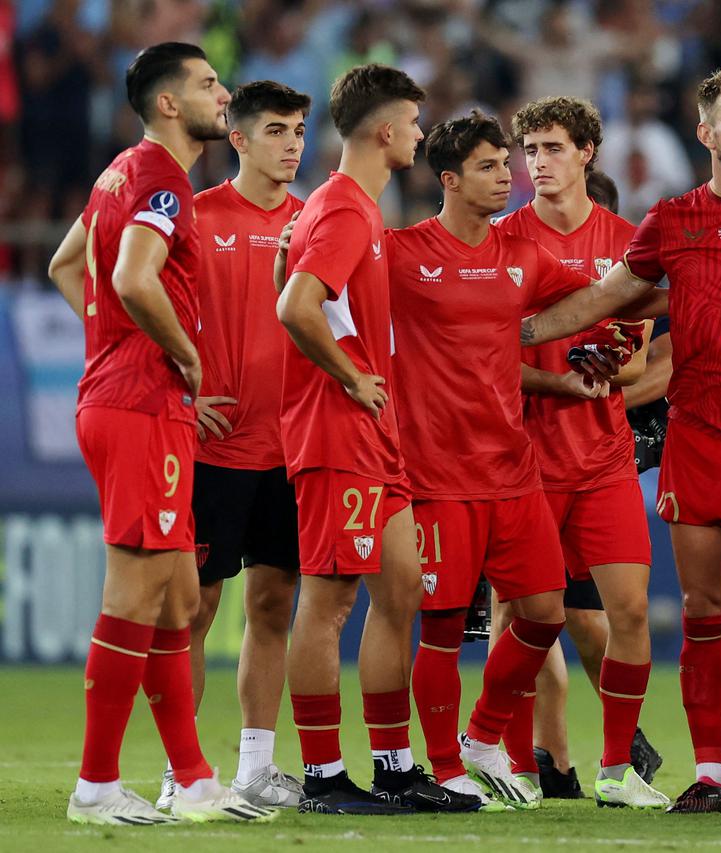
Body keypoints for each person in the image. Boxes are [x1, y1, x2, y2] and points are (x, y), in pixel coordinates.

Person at [520, 63, 721, 814]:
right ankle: (712, 775)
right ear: (705, 133)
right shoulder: (671, 221)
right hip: (700, 439)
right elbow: (607, 299)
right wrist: (516, 332)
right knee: (704, 614)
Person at [47, 41, 274, 825]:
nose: (225, 94)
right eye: (210, 84)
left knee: (178, 598)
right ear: (170, 103)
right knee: (138, 594)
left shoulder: (120, 169)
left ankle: (195, 775)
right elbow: (130, 277)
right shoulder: (163, 179)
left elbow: (64, 264)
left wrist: (111, 345)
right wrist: (182, 358)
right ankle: (96, 786)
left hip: (132, 397)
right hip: (141, 404)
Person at [390, 111, 602, 809]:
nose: (505, 175)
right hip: (439, 477)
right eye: (487, 166)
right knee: (444, 630)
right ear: (448, 180)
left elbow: (592, 295)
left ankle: (484, 736)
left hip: (515, 471)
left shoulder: (524, 257)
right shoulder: (402, 253)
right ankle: (446, 764)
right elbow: (313, 285)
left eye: (503, 163)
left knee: (543, 614)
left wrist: (660, 286)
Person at [275, 64, 469, 815]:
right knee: (327, 604)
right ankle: (323, 776)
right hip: (339, 432)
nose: (420, 134)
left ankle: (393, 764)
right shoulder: (348, 213)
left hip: (372, 436)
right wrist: (351, 379)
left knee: (401, 587)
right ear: (385, 130)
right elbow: (298, 306)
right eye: (415, 122)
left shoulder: (352, 208)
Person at [494, 96, 666, 808]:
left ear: (588, 151)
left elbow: (633, 364)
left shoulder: (630, 241)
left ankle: (619, 767)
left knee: (625, 613)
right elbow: (484, 354)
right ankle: (514, 764)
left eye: (553, 148)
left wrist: (603, 364)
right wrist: (566, 378)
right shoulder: (502, 238)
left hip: (602, 461)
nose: (539, 163)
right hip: (522, 461)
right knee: (525, 621)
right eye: (530, 150)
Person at [146, 80, 311, 812]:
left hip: (293, 450)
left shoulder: (315, 223)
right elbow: (128, 294)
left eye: (300, 129)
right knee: (195, 611)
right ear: (237, 139)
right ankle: (182, 769)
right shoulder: (197, 214)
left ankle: (254, 766)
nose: (292, 144)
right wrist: (183, 391)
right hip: (213, 451)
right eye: (276, 130)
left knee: (273, 604)